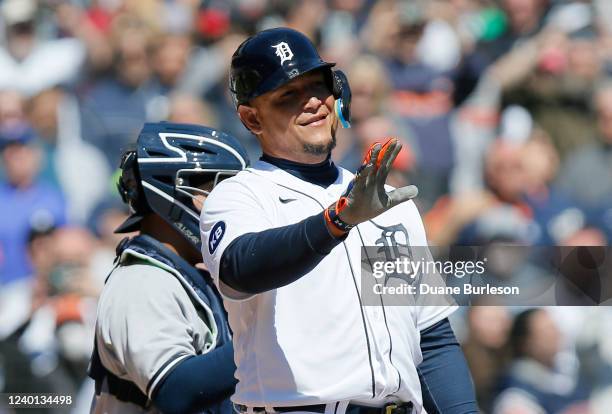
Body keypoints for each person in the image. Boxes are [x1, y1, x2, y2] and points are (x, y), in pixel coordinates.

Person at [201, 28, 477, 414]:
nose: (313, 102)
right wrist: (336, 222)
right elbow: (240, 268)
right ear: (251, 117)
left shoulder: (382, 199)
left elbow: (430, 339)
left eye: (318, 86)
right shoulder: (240, 196)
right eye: (288, 96)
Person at [89, 122, 248, 414]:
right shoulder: (142, 281)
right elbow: (176, 390)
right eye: (217, 190)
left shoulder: (190, 275)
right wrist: (265, 343)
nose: (231, 207)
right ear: (169, 190)